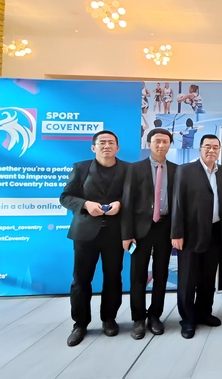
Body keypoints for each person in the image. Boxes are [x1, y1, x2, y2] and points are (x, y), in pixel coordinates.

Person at [59, 131, 128, 347]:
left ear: (117, 147)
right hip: (85, 233)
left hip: (115, 234)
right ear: (93, 147)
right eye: (102, 143)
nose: (107, 146)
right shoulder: (81, 168)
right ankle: (80, 324)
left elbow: (135, 197)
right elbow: (66, 197)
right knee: (81, 280)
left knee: (113, 278)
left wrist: (120, 204)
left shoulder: (128, 169)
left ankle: (109, 319)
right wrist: (85, 205)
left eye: (111, 143)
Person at [171, 134, 222, 339]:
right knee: (188, 279)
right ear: (200, 149)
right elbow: (177, 203)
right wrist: (177, 233)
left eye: (215, 147)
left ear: (219, 150)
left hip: (215, 232)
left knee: (208, 277)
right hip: (190, 234)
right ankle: (187, 319)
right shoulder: (185, 170)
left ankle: (204, 312)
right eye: (207, 147)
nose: (211, 150)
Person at [121, 128, 177, 340]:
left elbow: (179, 204)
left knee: (161, 274)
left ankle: (155, 315)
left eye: (165, 141)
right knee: (138, 275)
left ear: (170, 144)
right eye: (157, 141)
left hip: (165, 228)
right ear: (149, 143)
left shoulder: (176, 170)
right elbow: (127, 203)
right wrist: (127, 234)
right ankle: (138, 318)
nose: (161, 145)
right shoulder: (135, 169)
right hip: (140, 230)